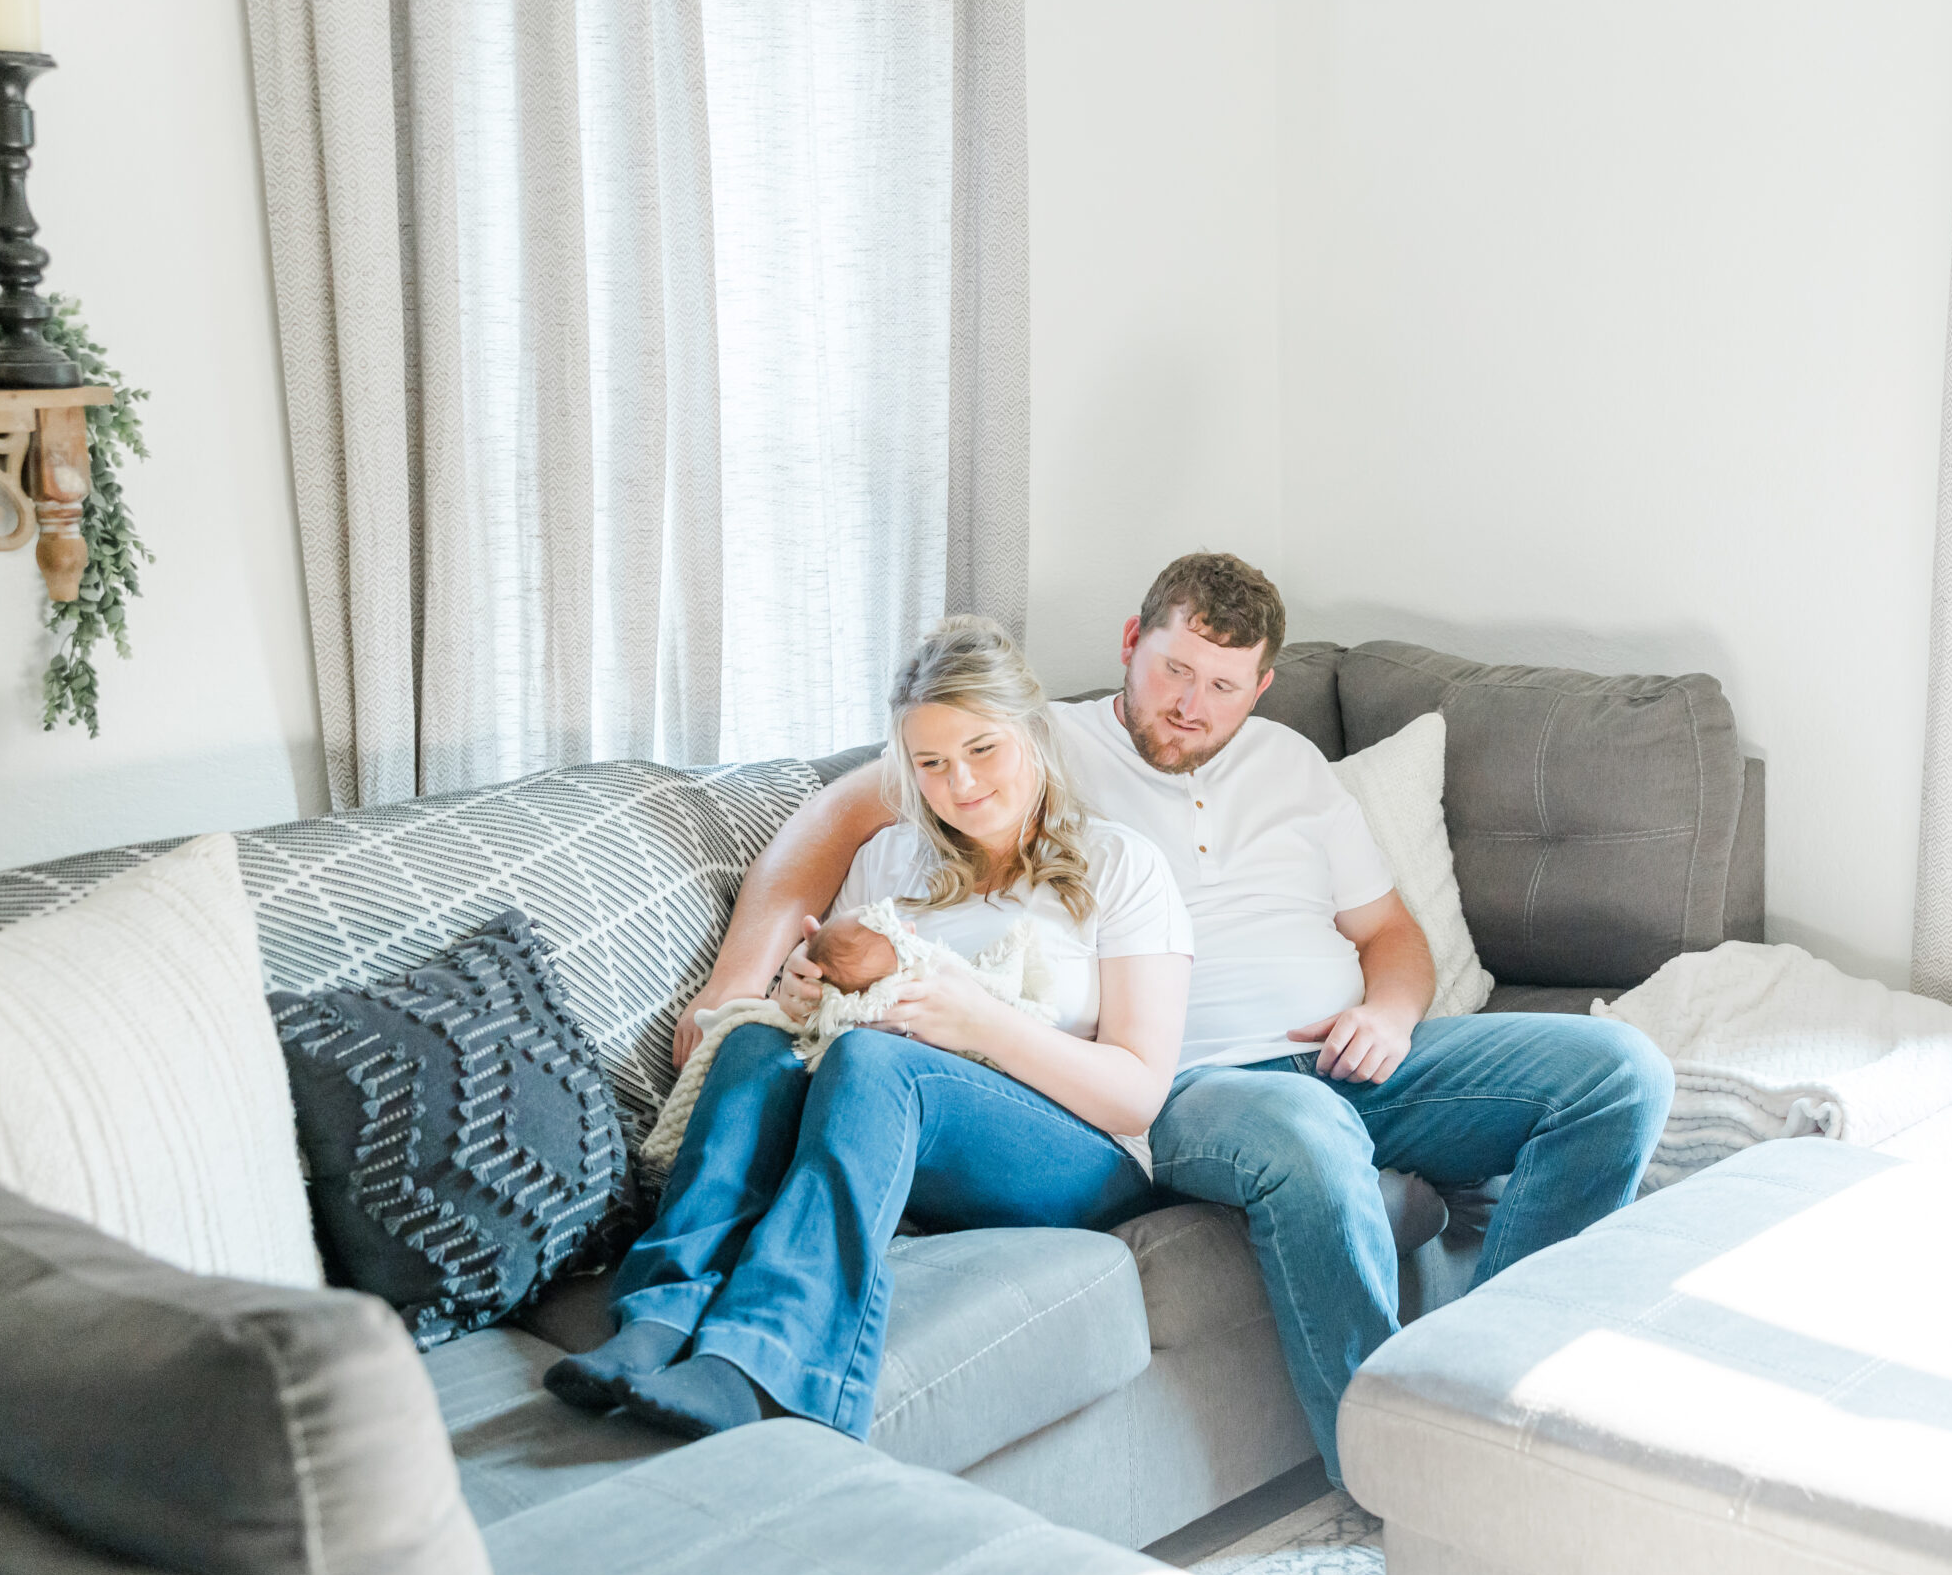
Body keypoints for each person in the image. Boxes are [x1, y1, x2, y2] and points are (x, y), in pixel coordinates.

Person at [674, 554, 1674, 1484]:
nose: (1190, 705)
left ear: (1263, 687)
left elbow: (1392, 935)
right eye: (1173, 671)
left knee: (1621, 1074)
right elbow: (831, 821)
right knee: (1307, 1132)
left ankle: (1491, 1403)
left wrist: (1389, 1013)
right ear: (1129, 644)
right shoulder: (1034, 742)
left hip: (1352, 1053)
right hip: (1196, 1086)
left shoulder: (1292, 768)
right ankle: (1392, 1465)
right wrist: (735, 992)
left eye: (1223, 685)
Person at [548, 615, 1193, 1439]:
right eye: (931, 763)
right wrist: (800, 990)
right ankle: (656, 1321)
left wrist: (980, 1020)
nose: (960, 784)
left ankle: (764, 1360)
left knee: (876, 1059)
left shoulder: (1124, 867)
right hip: (905, 1125)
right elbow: (832, 1007)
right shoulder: (892, 860)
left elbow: (1136, 1094)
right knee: (754, 1045)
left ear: (1033, 732)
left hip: (1071, 1157)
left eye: (983, 749)